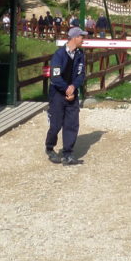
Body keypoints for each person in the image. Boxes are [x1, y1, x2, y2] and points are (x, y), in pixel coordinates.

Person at [45, 27, 87, 165]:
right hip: (58, 93)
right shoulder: (59, 55)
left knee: (72, 123)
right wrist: (66, 90)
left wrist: (73, 87)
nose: (83, 39)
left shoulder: (80, 54)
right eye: (82, 37)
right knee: (56, 124)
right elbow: (55, 77)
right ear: (74, 37)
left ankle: (68, 153)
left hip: (72, 92)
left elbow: (81, 74)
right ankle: (50, 148)